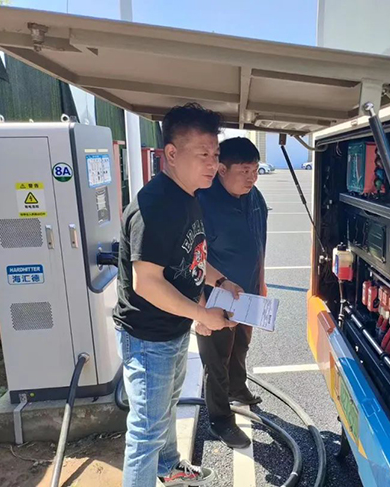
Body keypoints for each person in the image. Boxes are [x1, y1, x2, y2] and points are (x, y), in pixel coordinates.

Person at [113, 103, 243, 487]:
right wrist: (201, 315)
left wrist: (220, 281)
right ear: (171, 154)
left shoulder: (188, 195)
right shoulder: (155, 206)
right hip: (147, 338)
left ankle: (168, 468)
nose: (213, 164)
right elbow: (147, 282)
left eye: (215, 154)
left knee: (166, 408)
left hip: (172, 330)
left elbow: (191, 257)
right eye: (203, 154)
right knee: (145, 432)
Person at [196, 137, 268, 449]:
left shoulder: (255, 198)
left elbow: (260, 243)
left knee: (241, 346)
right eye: (245, 171)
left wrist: (261, 282)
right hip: (214, 297)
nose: (252, 178)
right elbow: (189, 260)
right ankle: (220, 420)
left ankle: (238, 388)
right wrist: (199, 309)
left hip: (248, 292)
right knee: (216, 361)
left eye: (256, 170)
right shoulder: (201, 201)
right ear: (222, 170)